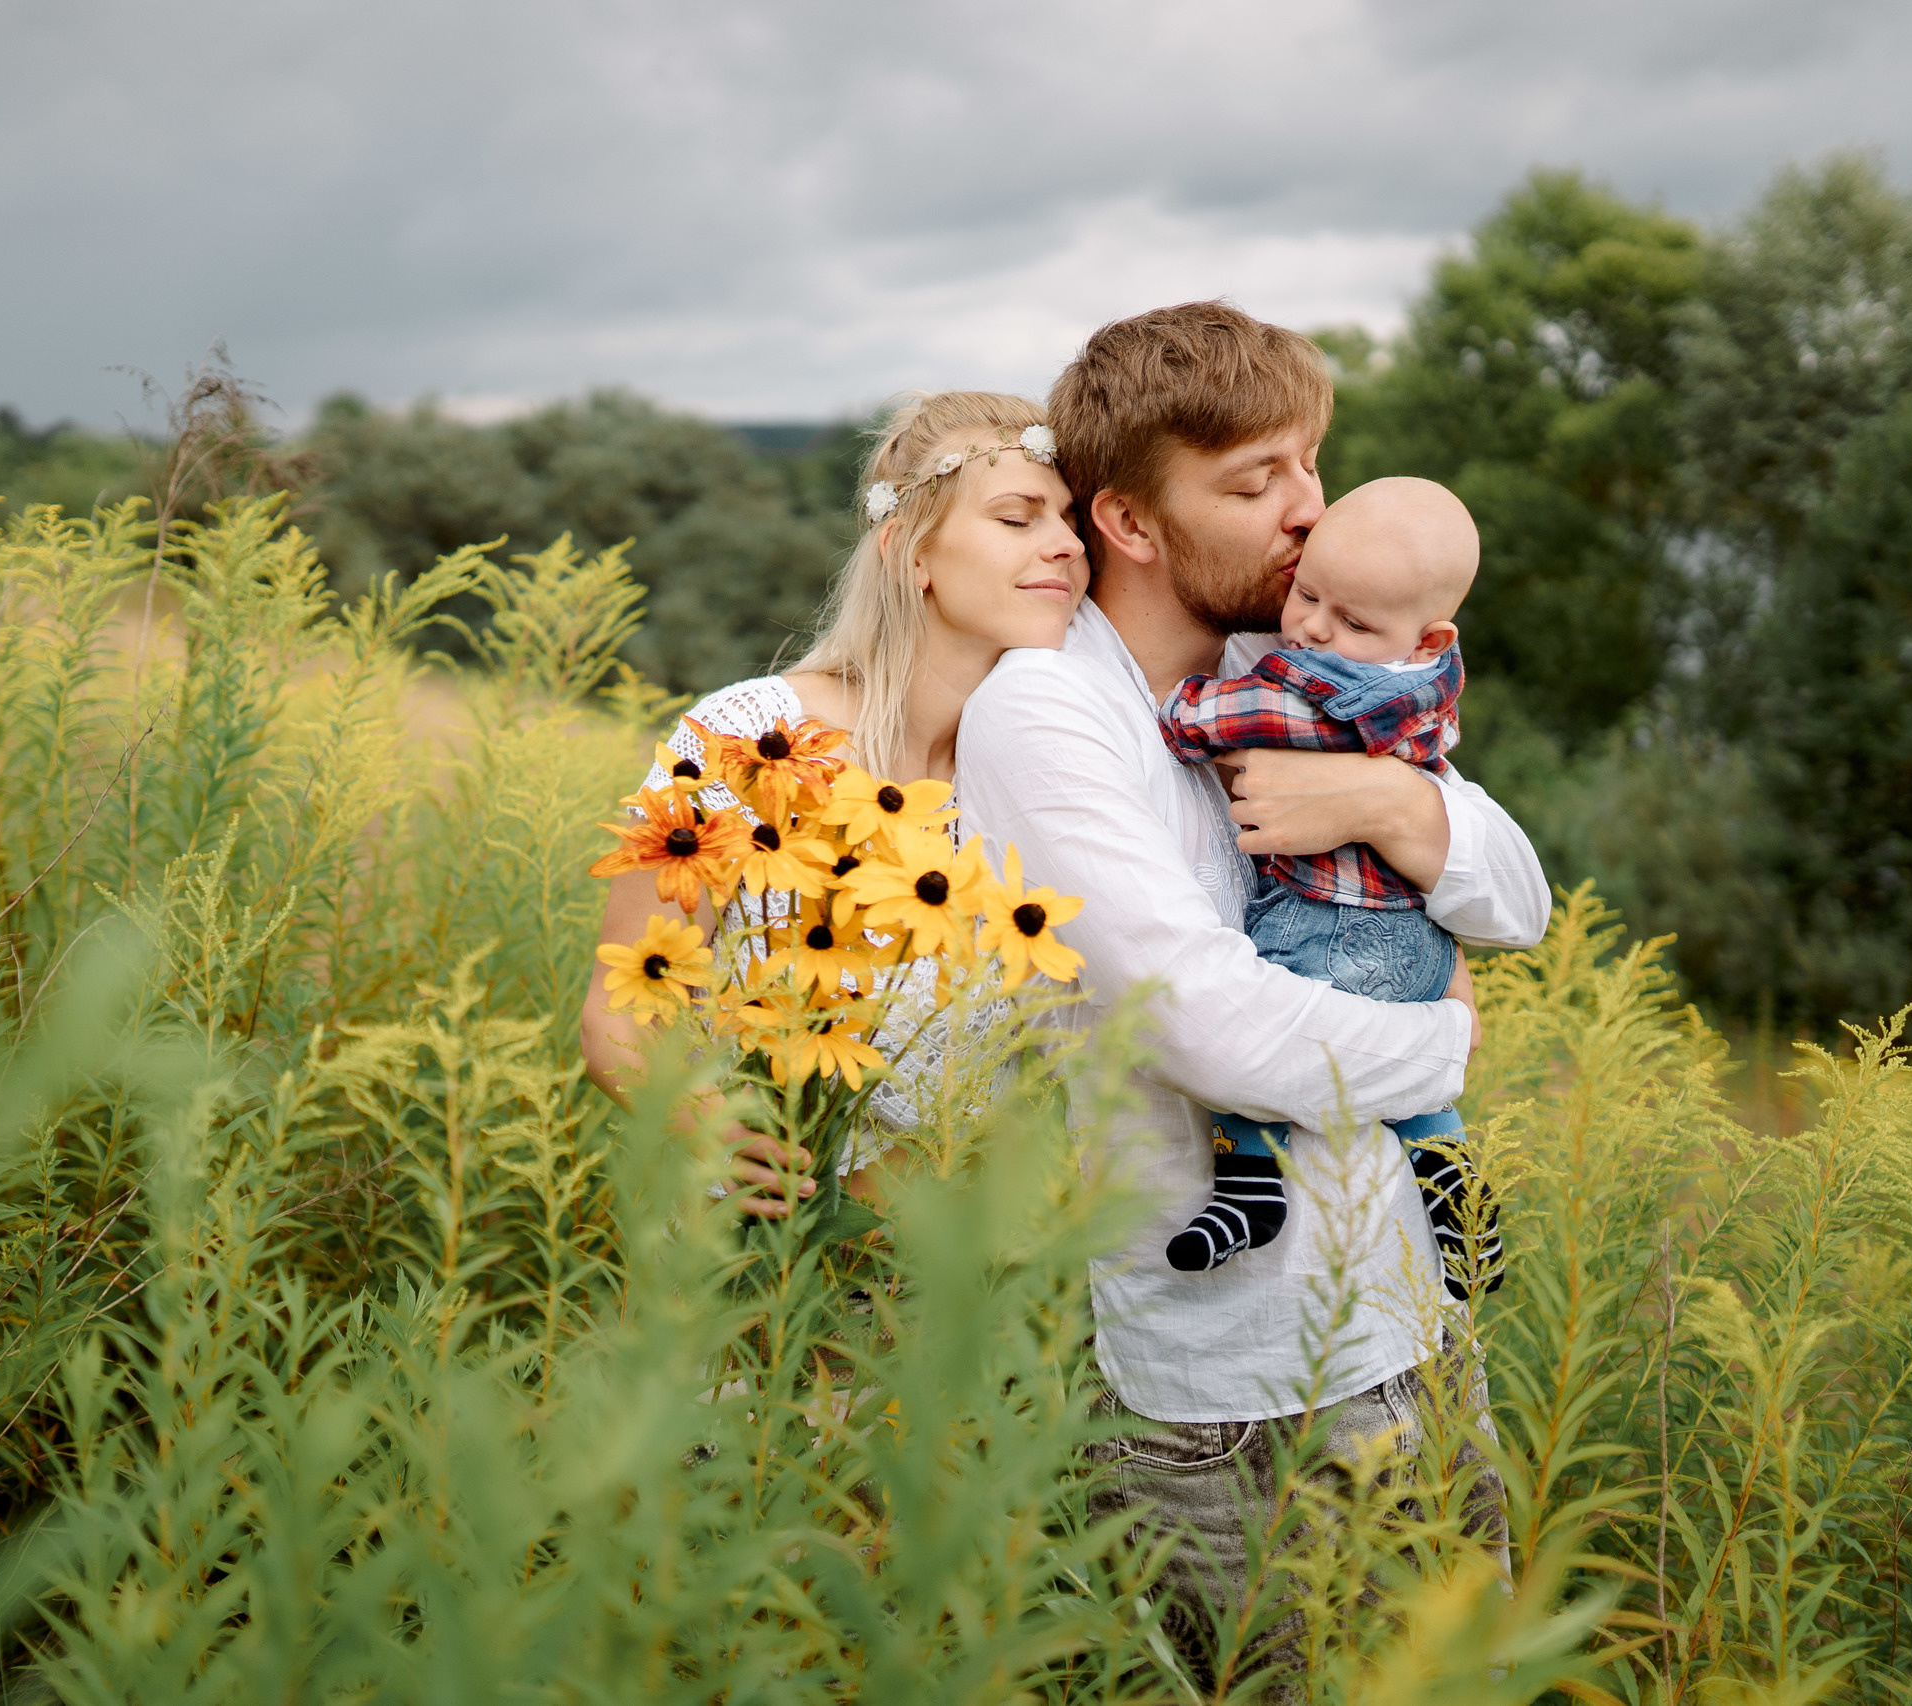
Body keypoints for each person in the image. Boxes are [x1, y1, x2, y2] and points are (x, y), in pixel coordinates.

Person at [950, 304, 1551, 1687]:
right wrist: (1445, 1042)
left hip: (1407, 1322)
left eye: (1311, 464)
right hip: (1223, 1390)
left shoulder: (1295, 666)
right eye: (1255, 480)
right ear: (1132, 523)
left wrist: (1389, 795)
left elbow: (1513, 900)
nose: (1307, 515)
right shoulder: (1048, 716)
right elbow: (1212, 1029)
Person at [579, 391, 1086, 1212]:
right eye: (1018, 518)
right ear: (909, 551)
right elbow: (618, 1020)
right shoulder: (746, 737)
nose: (1065, 546)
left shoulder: (1045, 773)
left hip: (959, 1281)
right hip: (769, 1274)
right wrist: (707, 1125)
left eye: (1070, 522)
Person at [1156, 475, 1501, 1296]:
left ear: (1425, 633)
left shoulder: (1314, 691)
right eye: (1308, 595)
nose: (1314, 628)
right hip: (1423, 942)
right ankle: (1454, 1186)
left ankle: (1248, 1188)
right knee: (1411, 1103)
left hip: (1332, 928)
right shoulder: (1431, 678)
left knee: (1271, 1024)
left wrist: (1181, 701)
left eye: (1352, 621)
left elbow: (1197, 722)